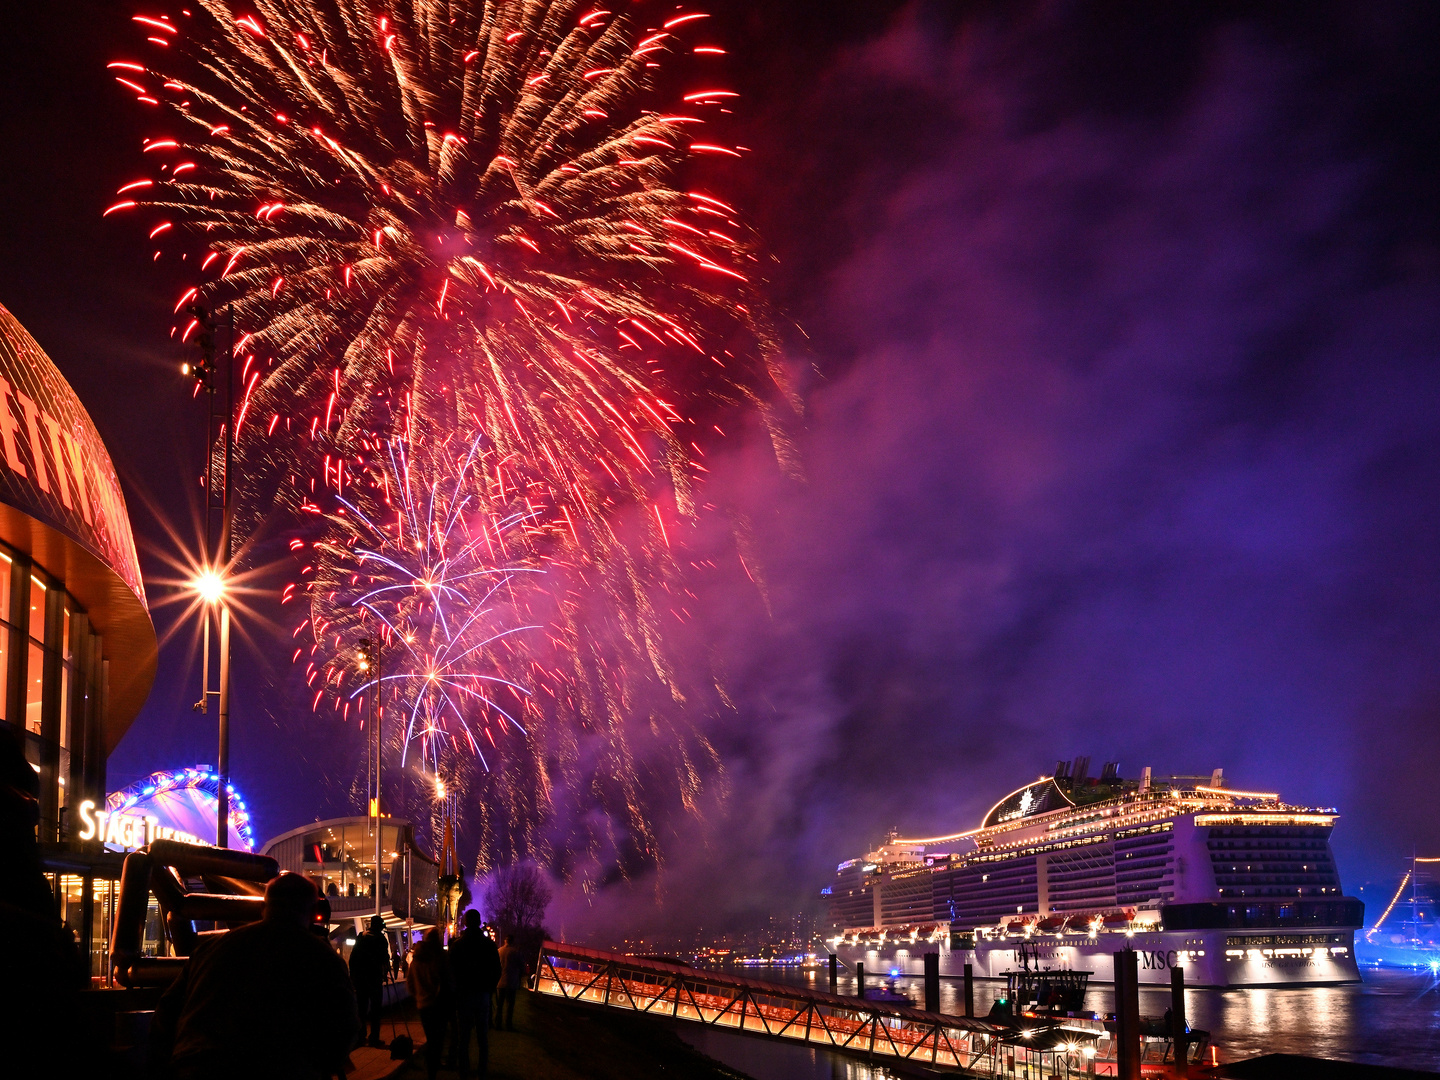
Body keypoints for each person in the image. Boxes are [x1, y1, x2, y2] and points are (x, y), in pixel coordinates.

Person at [150, 872, 357, 1080]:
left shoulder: (210, 950)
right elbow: (344, 1026)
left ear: (263, 907)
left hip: (198, 1066)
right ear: (313, 912)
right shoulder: (323, 959)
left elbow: (167, 1011)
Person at [449, 910, 502, 1078]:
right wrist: (489, 987)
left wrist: (456, 990)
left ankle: (464, 1070)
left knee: (464, 1036)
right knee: (482, 1036)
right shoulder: (489, 945)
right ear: (479, 922)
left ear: (465, 922)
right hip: (482, 995)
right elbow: (496, 970)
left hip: (464, 995)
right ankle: (482, 1070)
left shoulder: (457, 946)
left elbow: (451, 972)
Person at [406, 927, 453, 1080]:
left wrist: (419, 996)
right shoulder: (441, 958)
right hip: (439, 1004)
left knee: (431, 1037)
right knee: (437, 1039)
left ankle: (430, 1065)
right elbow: (446, 981)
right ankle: (432, 1068)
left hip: (423, 1005)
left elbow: (410, 985)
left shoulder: (416, 960)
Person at [349, 915, 391, 1047]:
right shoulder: (381, 939)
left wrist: (354, 976)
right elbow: (385, 958)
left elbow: (353, 958)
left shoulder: (361, 937)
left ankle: (361, 1037)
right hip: (374, 978)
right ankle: (374, 1038)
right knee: (376, 1009)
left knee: (361, 1008)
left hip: (361, 979)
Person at [494, 934, 527, 1031]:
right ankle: (508, 1024)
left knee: (499, 1004)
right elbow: (522, 966)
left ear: (505, 941)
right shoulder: (516, 952)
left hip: (500, 981)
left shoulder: (499, 951)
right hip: (512, 981)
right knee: (510, 1005)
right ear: (513, 941)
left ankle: (498, 1023)